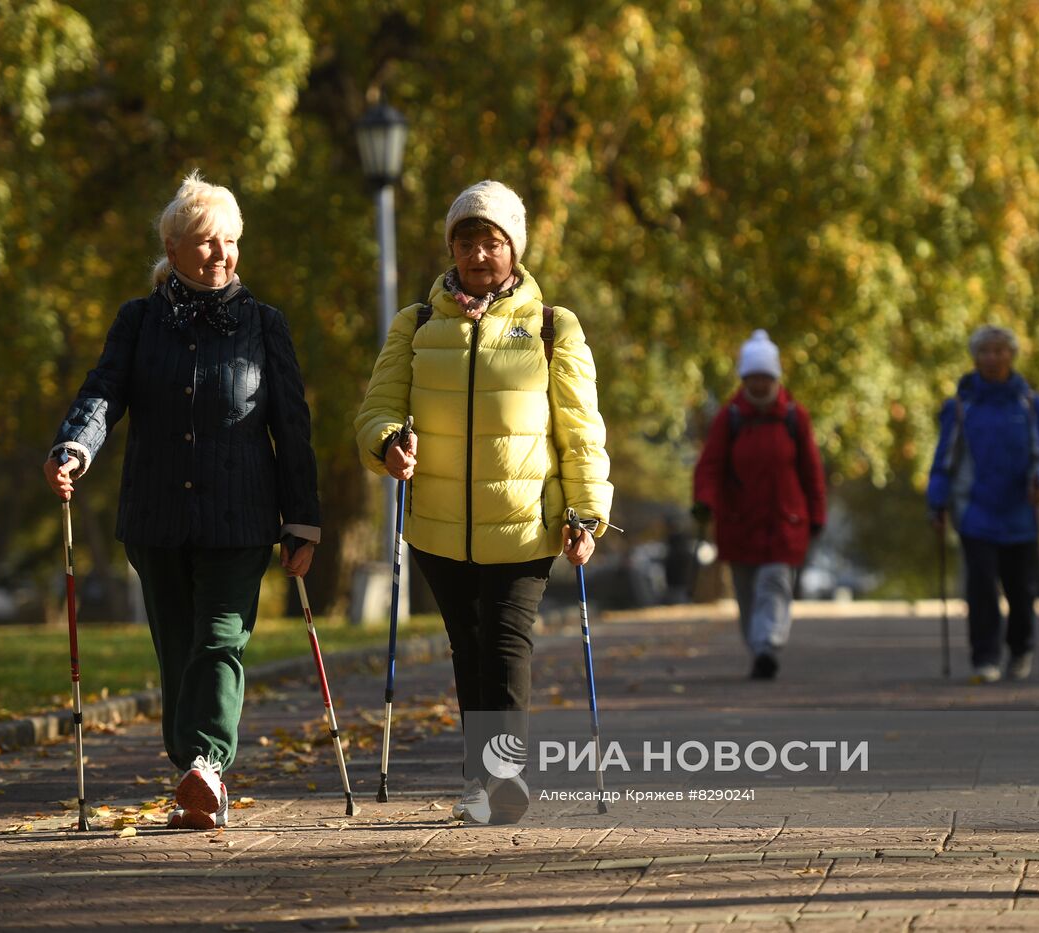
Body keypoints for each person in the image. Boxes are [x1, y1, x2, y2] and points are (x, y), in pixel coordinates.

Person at [43, 171, 320, 829]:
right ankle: (191, 761)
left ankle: (207, 766)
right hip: (158, 515)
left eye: (228, 241)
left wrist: (302, 518)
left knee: (221, 638)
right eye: (203, 242)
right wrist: (73, 448)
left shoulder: (264, 325)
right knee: (178, 646)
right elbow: (103, 392)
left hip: (241, 515)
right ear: (172, 249)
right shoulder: (138, 322)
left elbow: (292, 425)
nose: (219, 254)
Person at [354, 180, 613, 825]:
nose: (477, 253)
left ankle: (502, 775)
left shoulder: (553, 328)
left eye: (491, 241)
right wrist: (387, 443)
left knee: (505, 642)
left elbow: (581, 431)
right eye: (465, 241)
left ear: (514, 250)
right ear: (451, 249)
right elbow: (379, 406)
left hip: (525, 521)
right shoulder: (415, 323)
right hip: (438, 525)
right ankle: (481, 777)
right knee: (466, 648)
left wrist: (587, 513)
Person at [928, 324, 1039, 683]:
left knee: (1022, 590)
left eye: (999, 350)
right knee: (981, 587)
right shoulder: (960, 407)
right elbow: (944, 461)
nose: (992, 358)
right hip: (976, 512)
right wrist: (937, 502)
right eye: (985, 351)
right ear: (975, 357)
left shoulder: (1031, 404)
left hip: (1022, 511)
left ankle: (1021, 648)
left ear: (1012, 355)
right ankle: (985, 656)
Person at [691, 329, 826, 681]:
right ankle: (759, 647)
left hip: (785, 522)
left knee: (775, 584)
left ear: (776, 378)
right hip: (739, 523)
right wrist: (704, 501)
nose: (760, 384)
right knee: (748, 595)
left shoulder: (795, 418)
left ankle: (768, 644)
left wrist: (817, 515)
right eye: (754, 378)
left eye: (766, 378)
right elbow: (710, 465)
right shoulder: (730, 418)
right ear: (744, 378)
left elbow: (811, 471)